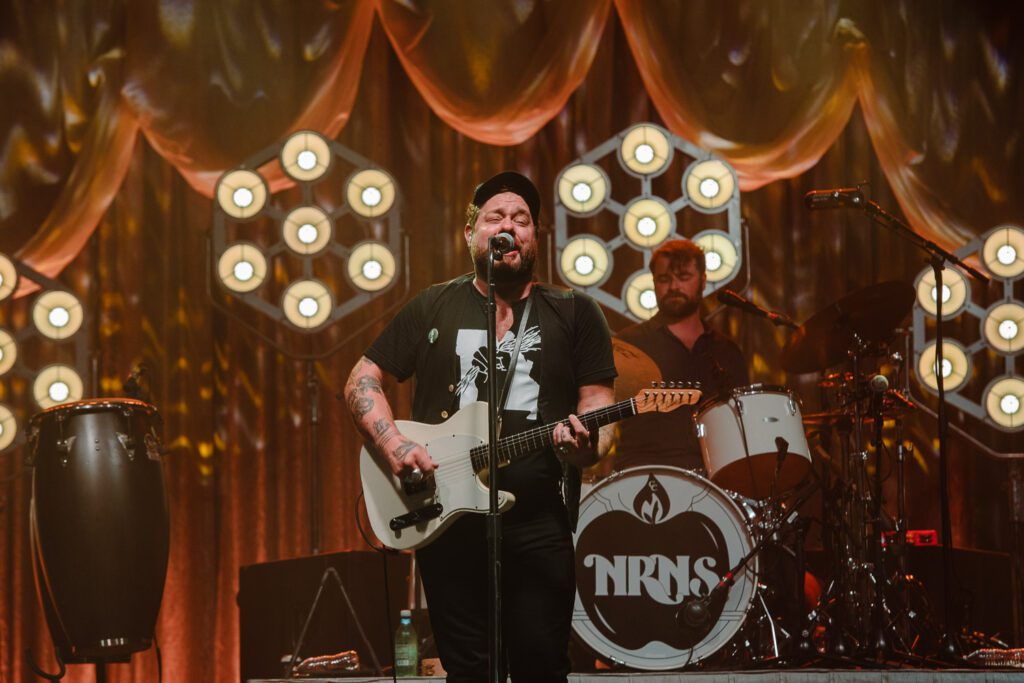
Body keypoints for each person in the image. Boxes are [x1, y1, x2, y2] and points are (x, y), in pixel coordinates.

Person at [344, 171, 616, 682]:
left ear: (535, 237)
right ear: (470, 235)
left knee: (541, 666)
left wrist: (581, 447)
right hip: (450, 520)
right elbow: (362, 377)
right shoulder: (433, 305)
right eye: (495, 217)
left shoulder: (576, 312)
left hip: (538, 521)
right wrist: (395, 445)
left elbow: (599, 417)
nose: (508, 225)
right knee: (468, 671)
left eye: (522, 219)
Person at [613, 238, 749, 473]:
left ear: (703, 281)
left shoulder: (727, 351)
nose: (674, 286)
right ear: (654, 283)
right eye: (665, 279)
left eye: (684, 277)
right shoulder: (626, 345)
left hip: (713, 476)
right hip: (639, 473)